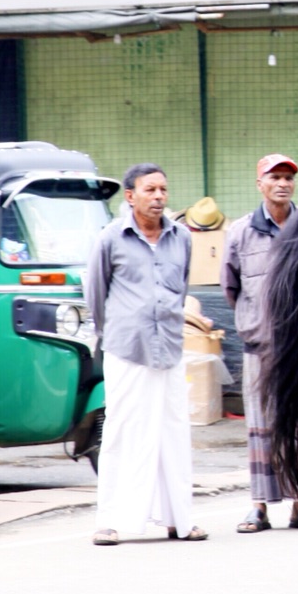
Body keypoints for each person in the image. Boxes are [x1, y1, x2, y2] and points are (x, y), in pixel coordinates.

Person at [85, 164, 205, 545]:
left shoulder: (181, 238)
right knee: (122, 430)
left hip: (169, 347)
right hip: (126, 348)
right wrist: (115, 333)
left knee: (173, 431)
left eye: (163, 190)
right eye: (150, 190)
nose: (158, 197)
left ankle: (179, 521)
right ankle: (111, 521)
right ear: (130, 196)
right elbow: (95, 296)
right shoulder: (110, 238)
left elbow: (181, 288)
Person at [222, 153, 298, 533]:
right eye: (275, 177)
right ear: (260, 185)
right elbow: (231, 286)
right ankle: (259, 507)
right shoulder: (240, 232)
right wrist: (255, 323)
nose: (283, 184)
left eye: (288, 178)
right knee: (261, 427)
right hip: (260, 344)